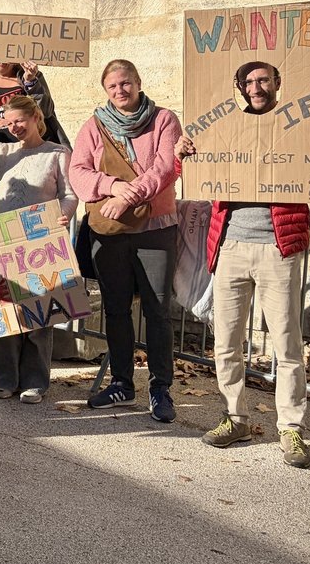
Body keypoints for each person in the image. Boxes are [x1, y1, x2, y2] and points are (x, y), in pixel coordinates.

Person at [176, 61, 310, 468]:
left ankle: (291, 428)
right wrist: (181, 155)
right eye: (249, 81)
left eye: (263, 80)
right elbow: (190, 177)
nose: (256, 87)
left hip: (278, 249)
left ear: (277, 83)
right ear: (239, 87)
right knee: (226, 342)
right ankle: (235, 418)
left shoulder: (305, 130)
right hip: (229, 247)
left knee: (286, 343)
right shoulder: (221, 130)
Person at [69, 59, 182, 422]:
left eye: (126, 83)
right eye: (113, 85)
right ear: (106, 90)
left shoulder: (164, 120)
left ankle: (160, 387)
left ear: (138, 82)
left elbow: (166, 168)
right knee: (116, 309)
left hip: (156, 229)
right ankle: (122, 383)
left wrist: (127, 198)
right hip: (110, 231)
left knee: (157, 310)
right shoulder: (94, 126)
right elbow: (78, 172)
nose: (120, 90)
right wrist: (113, 186)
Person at [0, 95, 77, 404]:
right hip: (6, 243)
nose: (14, 127)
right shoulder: (3, 151)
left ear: (35, 117)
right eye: (9, 122)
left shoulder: (57, 153)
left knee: (39, 314)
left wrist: (64, 214)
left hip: (42, 244)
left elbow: (70, 194)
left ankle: (36, 382)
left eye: (20, 121)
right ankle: (6, 379)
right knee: (5, 312)